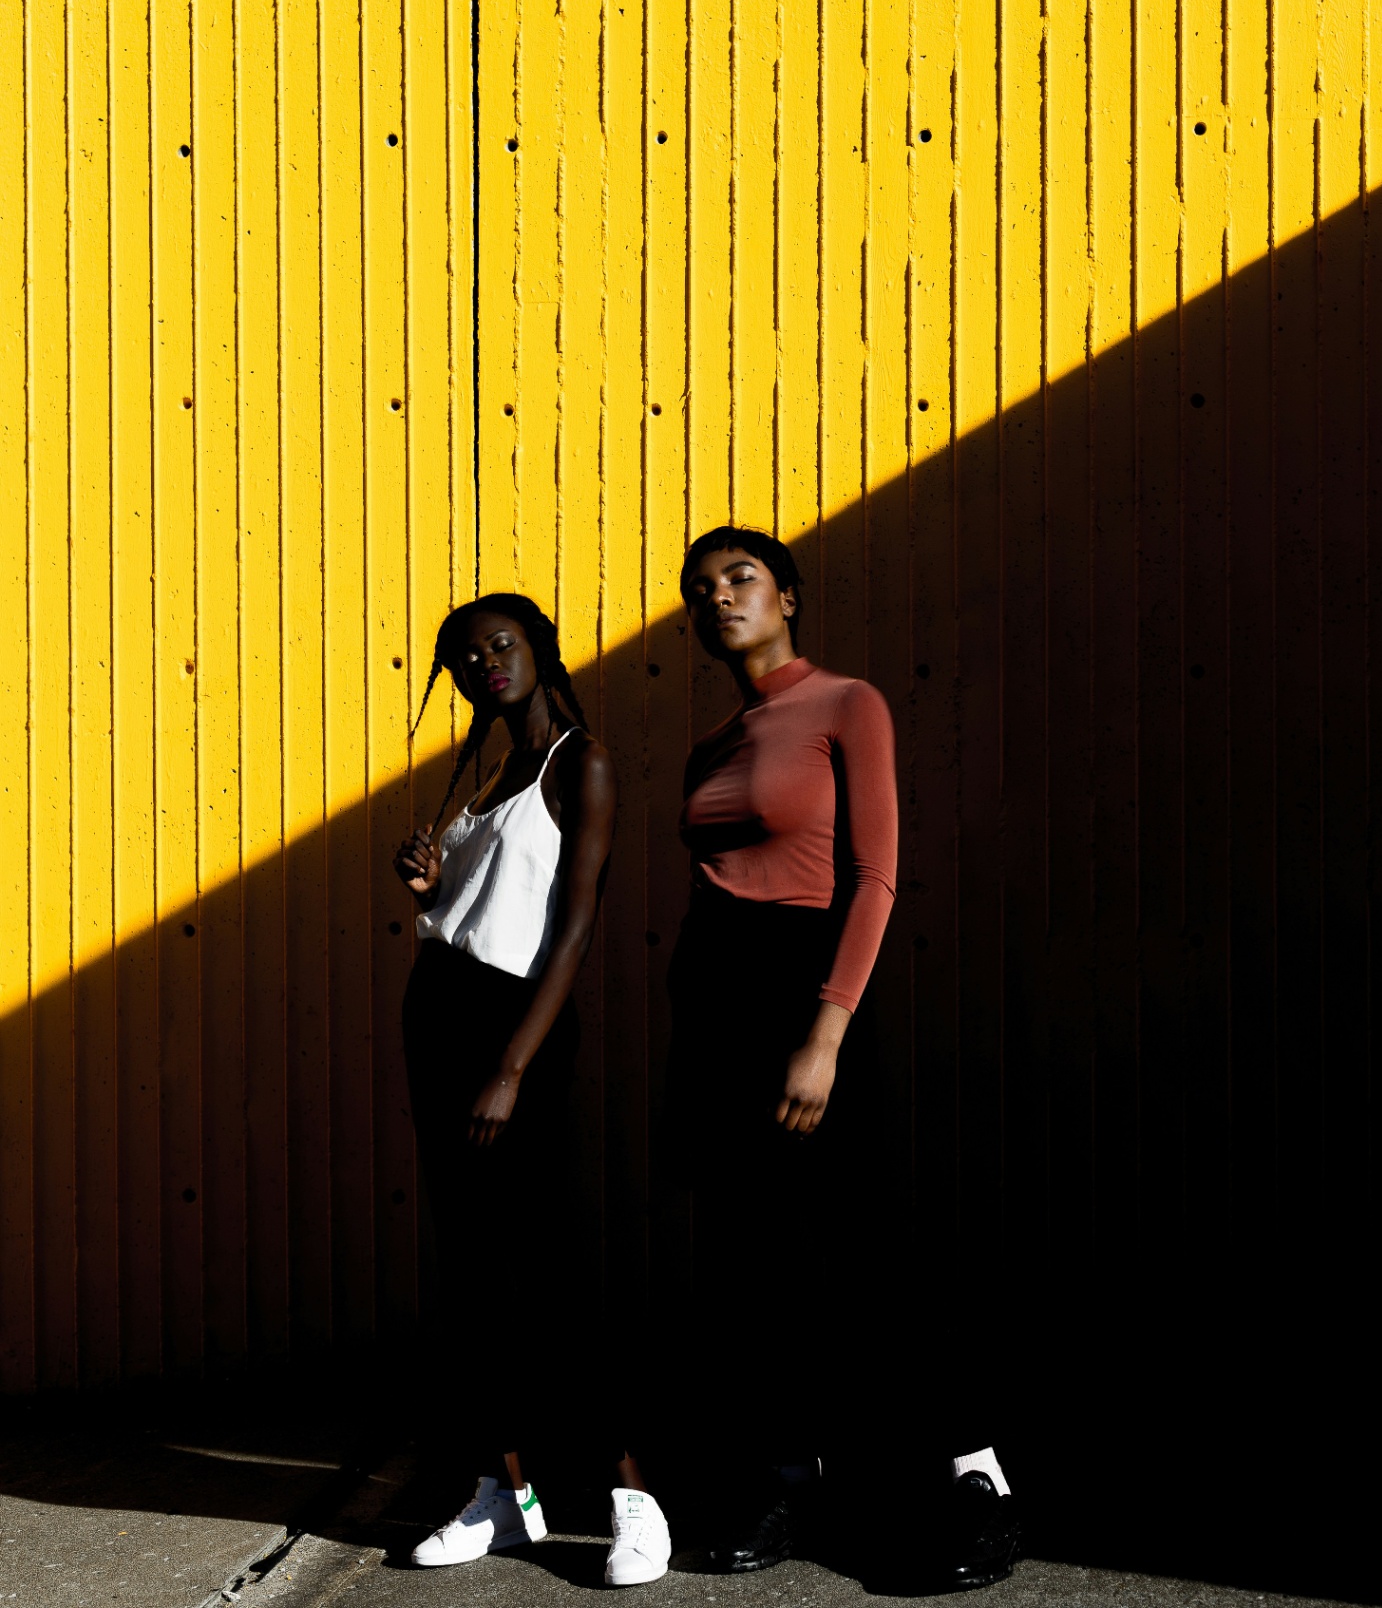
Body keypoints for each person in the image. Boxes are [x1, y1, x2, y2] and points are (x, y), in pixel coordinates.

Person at [668, 527, 1020, 1589]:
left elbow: (871, 878)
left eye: (740, 578)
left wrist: (824, 1033)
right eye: (701, 589)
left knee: (869, 1251)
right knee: (752, 1261)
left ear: (789, 596)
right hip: (715, 1007)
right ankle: (788, 1480)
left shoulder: (846, 705)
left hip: (805, 992)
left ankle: (972, 1481)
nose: (718, 596)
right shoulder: (712, 745)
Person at [392, 593, 671, 1585]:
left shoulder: (576, 763)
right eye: (465, 659)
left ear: (539, 649)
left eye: (500, 646)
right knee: (470, 1278)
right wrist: (429, 892)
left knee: (546, 1270)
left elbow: (572, 929)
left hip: (513, 1035)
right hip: (441, 1022)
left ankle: (630, 1492)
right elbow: (470, 917)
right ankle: (503, 1497)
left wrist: (511, 1069)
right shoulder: (481, 773)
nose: (485, 666)